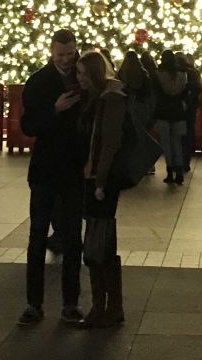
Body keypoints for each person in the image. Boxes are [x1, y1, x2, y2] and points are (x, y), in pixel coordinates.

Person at [18, 29, 85, 328]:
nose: (67, 60)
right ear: (51, 52)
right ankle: (34, 303)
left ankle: (71, 303)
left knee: (73, 239)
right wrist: (54, 110)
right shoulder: (39, 81)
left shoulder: (83, 79)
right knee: (37, 236)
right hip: (45, 170)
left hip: (73, 170)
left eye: (70, 54)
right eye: (61, 55)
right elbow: (29, 125)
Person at [76, 51, 127, 329]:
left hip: (101, 181)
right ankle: (105, 306)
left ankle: (107, 307)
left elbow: (109, 143)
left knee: (100, 243)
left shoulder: (111, 99)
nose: (80, 78)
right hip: (92, 177)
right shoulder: (95, 97)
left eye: (84, 73)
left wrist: (100, 182)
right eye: (78, 73)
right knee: (99, 242)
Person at [153, 50, 188, 185]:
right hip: (178, 111)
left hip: (163, 110)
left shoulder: (158, 75)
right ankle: (179, 171)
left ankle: (170, 171)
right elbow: (184, 93)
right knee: (177, 142)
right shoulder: (182, 75)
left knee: (166, 144)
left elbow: (156, 93)